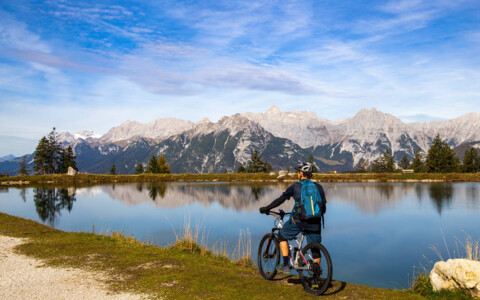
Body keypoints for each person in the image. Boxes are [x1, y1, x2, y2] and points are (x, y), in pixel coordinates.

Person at [259, 162, 326, 273]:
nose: (297, 174)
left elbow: (281, 199)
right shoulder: (318, 187)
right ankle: (316, 277)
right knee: (315, 248)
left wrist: (267, 207)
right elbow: (323, 208)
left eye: (298, 172)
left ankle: (285, 265)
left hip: (299, 221)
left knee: (281, 236)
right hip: (315, 222)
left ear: (301, 173)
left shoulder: (295, 187)